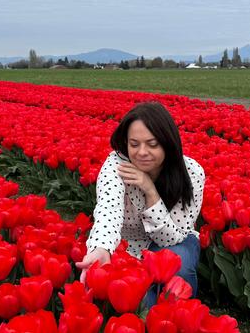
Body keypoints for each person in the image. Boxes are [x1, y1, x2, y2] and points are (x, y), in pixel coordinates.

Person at [76, 101, 205, 306]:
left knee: (178, 268)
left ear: (168, 142)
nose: (142, 152)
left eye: (152, 144)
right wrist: (101, 248)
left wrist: (150, 192)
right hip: (127, 244)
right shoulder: (117, 166)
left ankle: (179, 315)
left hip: (174, 242)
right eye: (134, 144)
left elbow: (173, 237)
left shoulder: (191, 173)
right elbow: (108, 210)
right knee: (141, 300)